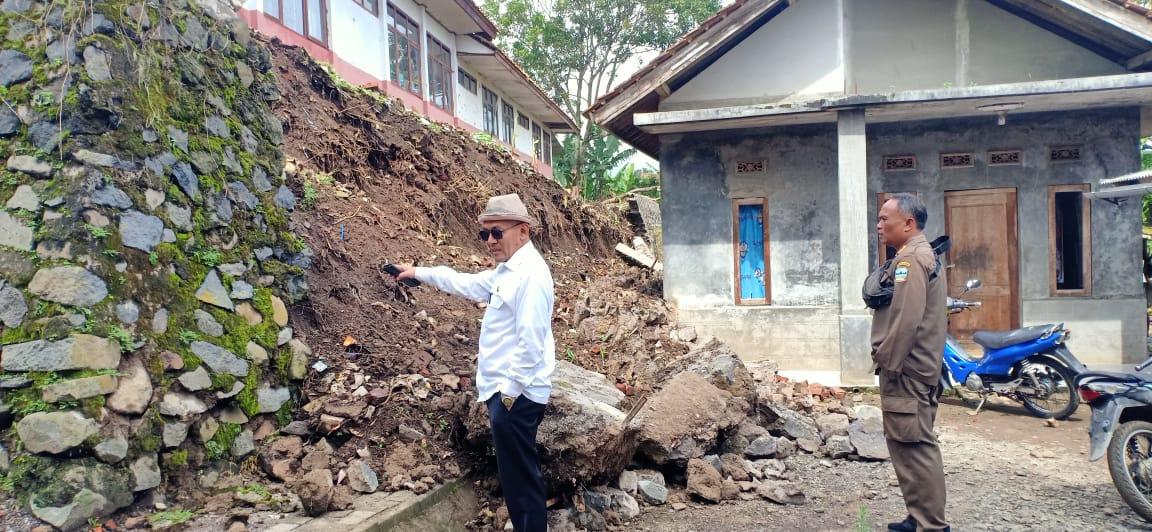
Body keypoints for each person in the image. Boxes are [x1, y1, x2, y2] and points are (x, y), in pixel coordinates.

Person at [393, 193, 554, 532]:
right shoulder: (507, 272)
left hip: (516, 396)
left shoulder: (532, 276)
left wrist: (507, 395)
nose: (490, 241)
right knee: (516, 480)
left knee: (522, 484)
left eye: (497, 232)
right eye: (485, 234)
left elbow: (531, 344)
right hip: (508, 395)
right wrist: (420, 273)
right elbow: (465, 282)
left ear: (523, 231)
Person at [871, 193, 950, 532]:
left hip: (906, 371)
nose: (879, 225)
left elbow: (906, 319)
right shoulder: (916, 254)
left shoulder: (912, 260)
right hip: (914, 368)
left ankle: (930, 525)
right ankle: (918, 517)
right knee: (908, 444)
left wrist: (886, 363)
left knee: (916, 445)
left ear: (908, 223)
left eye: (885, 218)